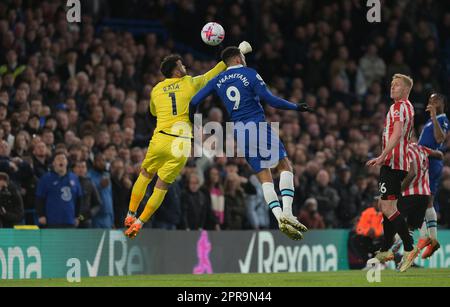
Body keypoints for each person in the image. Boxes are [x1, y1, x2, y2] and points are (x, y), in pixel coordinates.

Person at [124, 41, 252, 238]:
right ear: (176, 70)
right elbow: (216, 70)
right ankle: (140, 222)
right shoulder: (189, 83)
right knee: (162, 185)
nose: (185, 67)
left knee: (145, 174)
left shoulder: (156, 89)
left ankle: (130, 213)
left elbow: (152, 111)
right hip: (181, 142)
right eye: (181, 65)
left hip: (160, 138)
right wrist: (239, 51)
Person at [190, 46, 313, 240]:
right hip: (257, 125)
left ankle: (279, 217)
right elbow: (270, 100)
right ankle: (288, 212)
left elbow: (194, 101)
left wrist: (192, 123)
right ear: (239, 58)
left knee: (264, 176)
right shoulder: (249, 74)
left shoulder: (217, 80)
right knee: (284, 165)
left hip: (239, 133)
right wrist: (296, 107)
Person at [366, 73, 416, 272]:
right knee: (387, 205)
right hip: (399, 162)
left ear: (405, 90)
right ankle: (386, 249)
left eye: (396, 85)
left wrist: (382, 156)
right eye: (392, 84)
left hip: (392, 162)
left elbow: (396, 134)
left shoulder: (398, 107)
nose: (392, 87)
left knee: (387, 207)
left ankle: (409, 247)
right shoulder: (409, 107)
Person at [397, 143, 443, 260]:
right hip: (424, 187)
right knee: (416, 216)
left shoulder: (404, 151)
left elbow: (411, 172)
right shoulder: (420, 148)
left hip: (410, 191)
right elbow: (439, 154)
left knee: (403, 222)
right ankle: (430, 239)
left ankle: (422, 240)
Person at [417, 93, 449, 258]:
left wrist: (435, 117)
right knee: (426, 200)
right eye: (430, 101)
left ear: (442, 103)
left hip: (431, 163)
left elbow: (439, 138)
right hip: (425, 162)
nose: (431, 103)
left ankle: (426, 237)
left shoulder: (442, 119)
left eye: (435, 100)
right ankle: (432, 239)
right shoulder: (431, 120)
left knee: (419, 199)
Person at [35, 152, 82, 228]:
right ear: (53, 163)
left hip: (69, 220)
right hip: (52, 221)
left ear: (66, 162)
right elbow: (39, 198)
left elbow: (79, 199)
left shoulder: (74, 178)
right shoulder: (46, 178)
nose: (61, 161)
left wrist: (77, 216)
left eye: (63, 158)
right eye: (58, 159)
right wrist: (41, 215)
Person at [88, 152, 114, 229]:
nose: (102, 163)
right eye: (99, 161)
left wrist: (112, 220)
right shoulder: (89, 176)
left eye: (104, 160)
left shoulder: (106, 176)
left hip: (107, 216)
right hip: (95, 216)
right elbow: (88, 195)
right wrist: (99, 187)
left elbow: (110, 197)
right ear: (94, 162)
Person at [72, 160, 101, 228]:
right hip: (71, 220)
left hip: (85, 220)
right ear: (74, 169)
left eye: (83, 167)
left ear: (86, 169)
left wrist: (90, 213)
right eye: (78, 167)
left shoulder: (90, 183)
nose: (81, 169)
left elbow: (98, 203)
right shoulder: (68, 182)